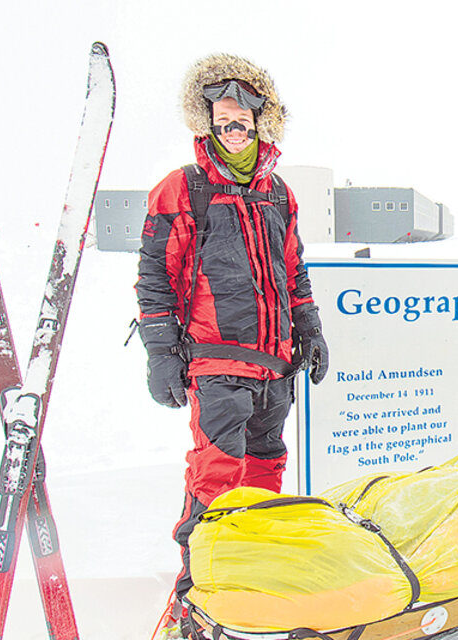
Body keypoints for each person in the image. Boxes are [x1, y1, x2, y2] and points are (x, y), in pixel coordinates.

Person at [135, 53, 329, 604]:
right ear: (207, 124)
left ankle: (253, 580)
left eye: (241, 122)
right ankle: (196, 594)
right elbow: (155, 276)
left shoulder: (279, 193)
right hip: (218, 364)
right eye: (221, 123)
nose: (232, 132)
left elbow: (293, 270)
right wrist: (161, 353)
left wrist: (309, 329)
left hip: (275, 366)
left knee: (265, 474)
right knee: (216, 479)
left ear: (260, 121)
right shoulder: (184, 189)